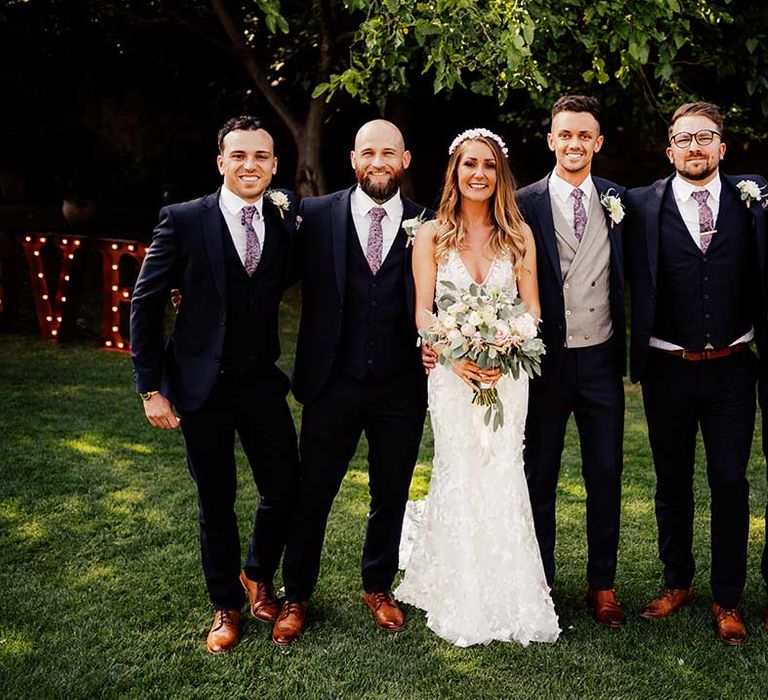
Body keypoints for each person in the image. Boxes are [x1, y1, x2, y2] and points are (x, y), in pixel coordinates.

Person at [129, 116, 300, 653]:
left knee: (286, 488)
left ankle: (256, 573)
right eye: (240, 156)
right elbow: (146, 302)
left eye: (262, 157)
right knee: (216, 499)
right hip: (199, 385)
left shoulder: (287, 215)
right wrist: (150, 388)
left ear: (274, 165)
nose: (251, 166)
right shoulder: (181, 220)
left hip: (260, 383)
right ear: (221, 162)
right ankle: (225, 603)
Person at [396, 127, 560, 647]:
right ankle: (458, 587)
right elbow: (424, 311)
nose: (479, 174)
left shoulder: (519, 235)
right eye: (470, 164)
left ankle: (510, 589)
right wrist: (453, 355)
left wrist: (508, 346)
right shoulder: (429, 234)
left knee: (503, 470)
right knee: (460, 467)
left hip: (507, 378)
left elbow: (532, 308)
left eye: (489, 166)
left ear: (501, 175)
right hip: (450, 376)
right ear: (455, 171)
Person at [272, 120, 430, 646]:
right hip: (331, 381)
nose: (378, 161)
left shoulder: (426, 223)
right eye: (369, 152)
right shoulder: (313, 215)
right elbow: (269, 274)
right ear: (353, 158)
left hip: (401, 385)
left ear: (405, 160)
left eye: (389, 152)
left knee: (391, 491)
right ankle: (296, 594)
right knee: (312, 491)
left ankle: (378, 586)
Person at [625, 102, 767, 644]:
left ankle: (727, 598)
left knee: (730, 483)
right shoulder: (638, 205)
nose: (695, 147)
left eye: (705, 137)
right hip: (668, 368)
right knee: (672, 483)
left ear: (722, 148)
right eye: (684, 139)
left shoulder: (752, 199)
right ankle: (676, 581)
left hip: (733, 369)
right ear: (669, 151)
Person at [515, 96, 627, 627]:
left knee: (605, 473)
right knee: (540, 474)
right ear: (552, 140)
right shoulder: (521, 202)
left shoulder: (619, 201)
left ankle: (602, 586)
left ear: (597, 143)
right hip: (545, 365)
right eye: (566, 134)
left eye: (585, 135)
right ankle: (542, 582)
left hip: (602, 360)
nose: (575, 143)